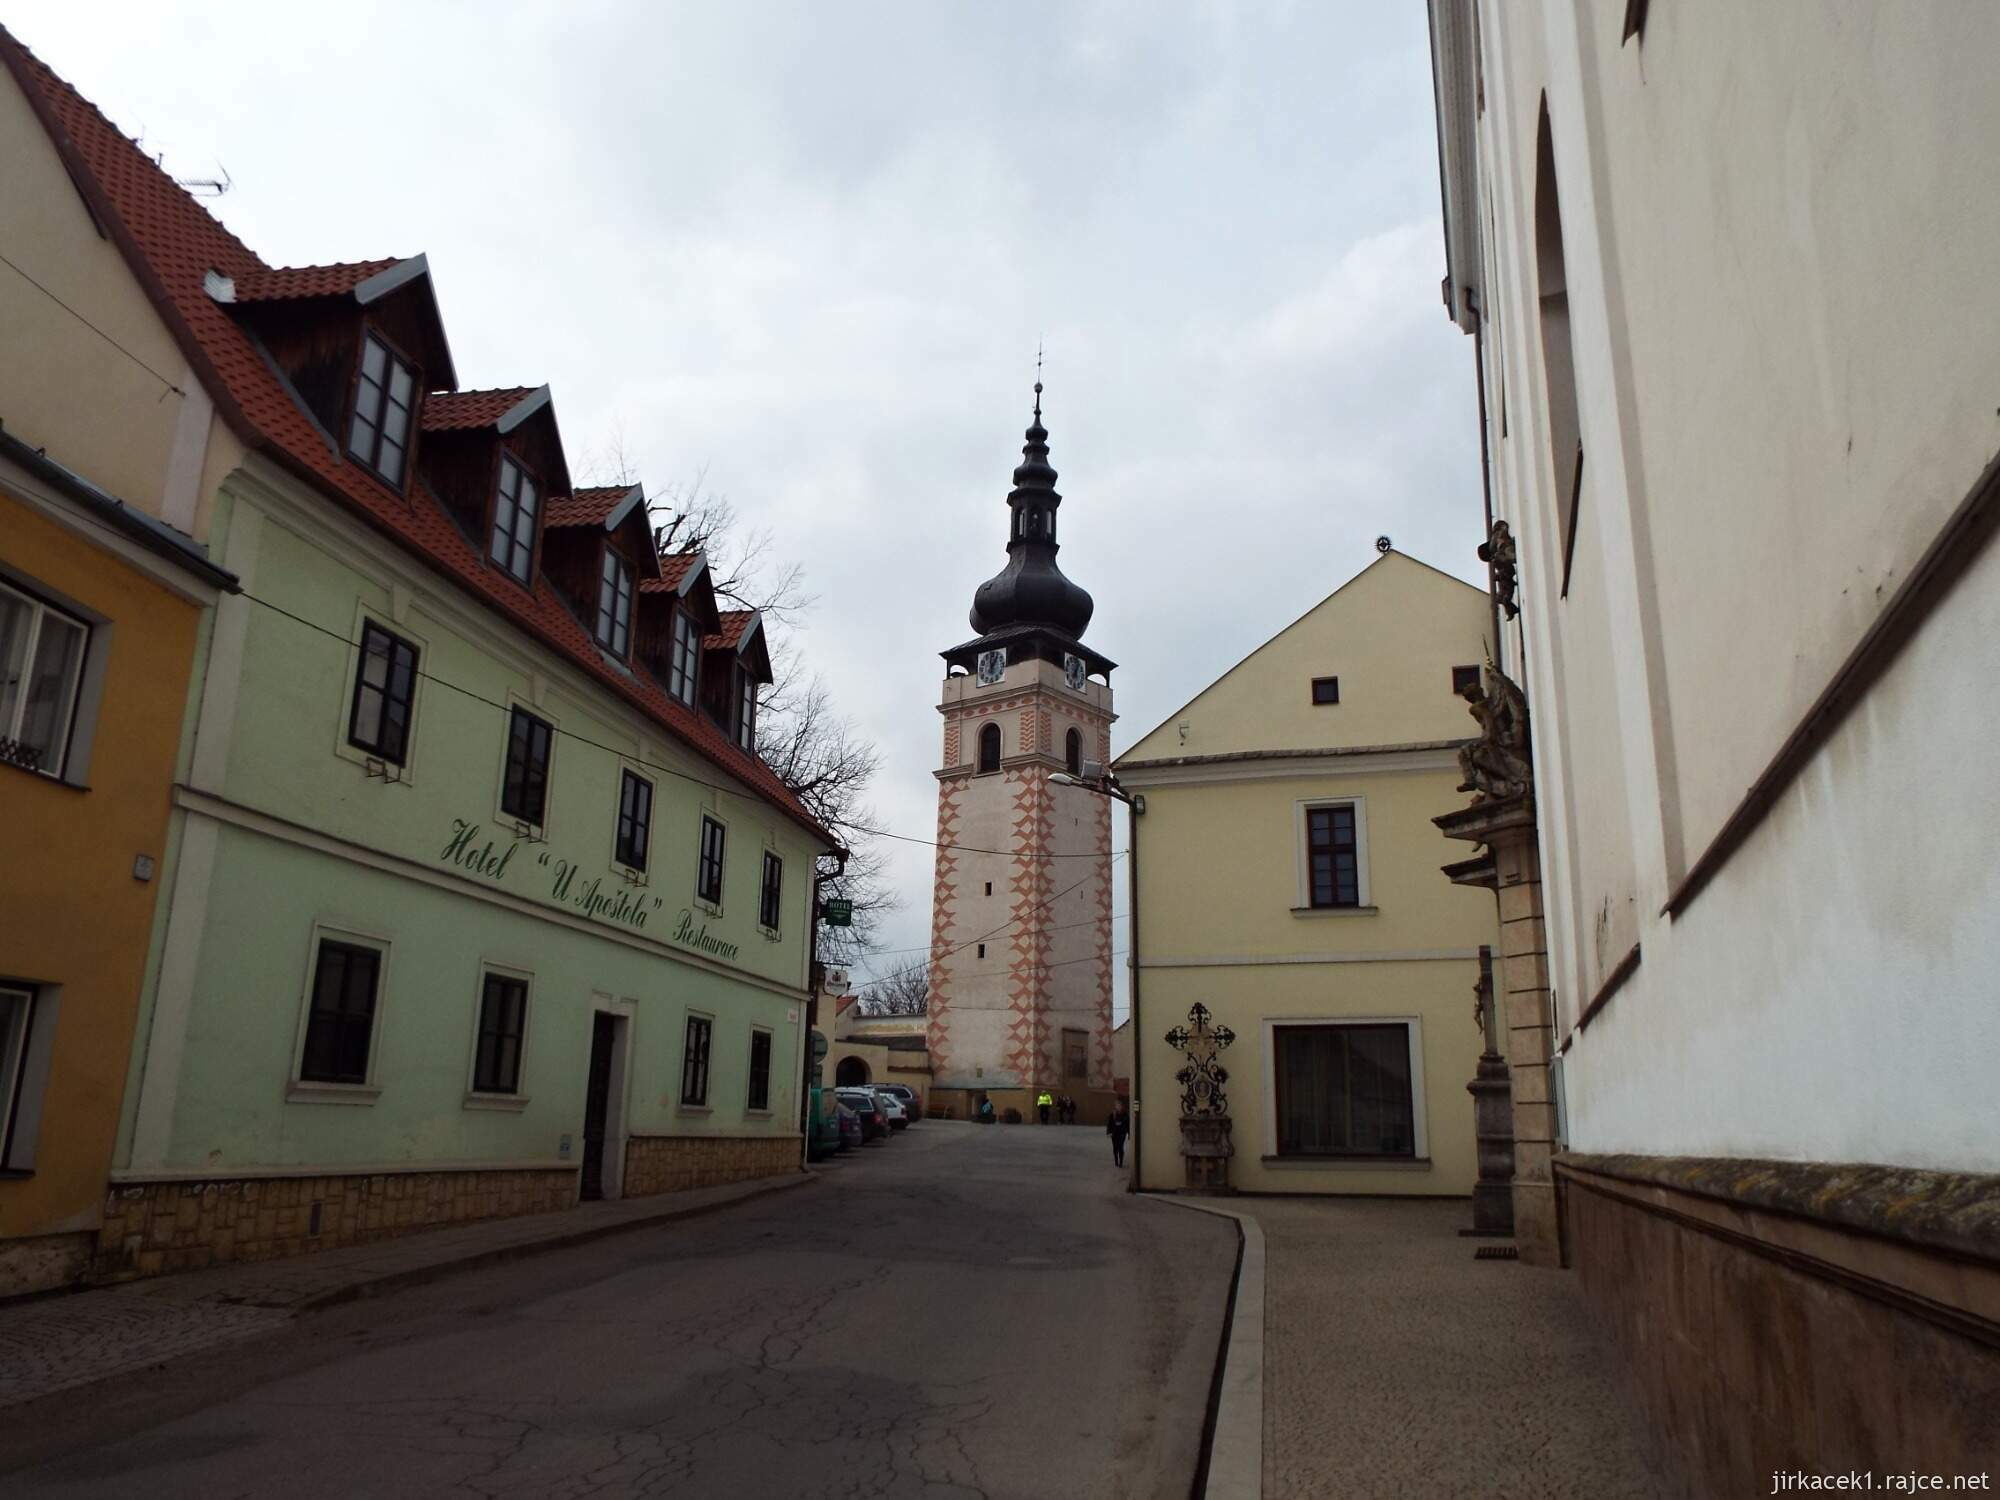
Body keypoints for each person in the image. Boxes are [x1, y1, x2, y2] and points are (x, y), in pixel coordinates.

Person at [1106, 1101, 1129, 1167]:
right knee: (1115, 1148)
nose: (1118, 1107)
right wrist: (1108, 1132)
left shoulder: (1125, 1114)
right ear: (1115, 1107)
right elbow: (1109, 1124)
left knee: (1120, 1147)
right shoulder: (1112, 1114)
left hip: (1122, 1133)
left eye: (1119, 1106)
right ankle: (1116, 1161)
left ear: (1122, 1107)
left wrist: (1129, 1133)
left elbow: (1127, 1124)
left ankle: (1121, 1162)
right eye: (1117, 1106)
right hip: (1114, 1133)